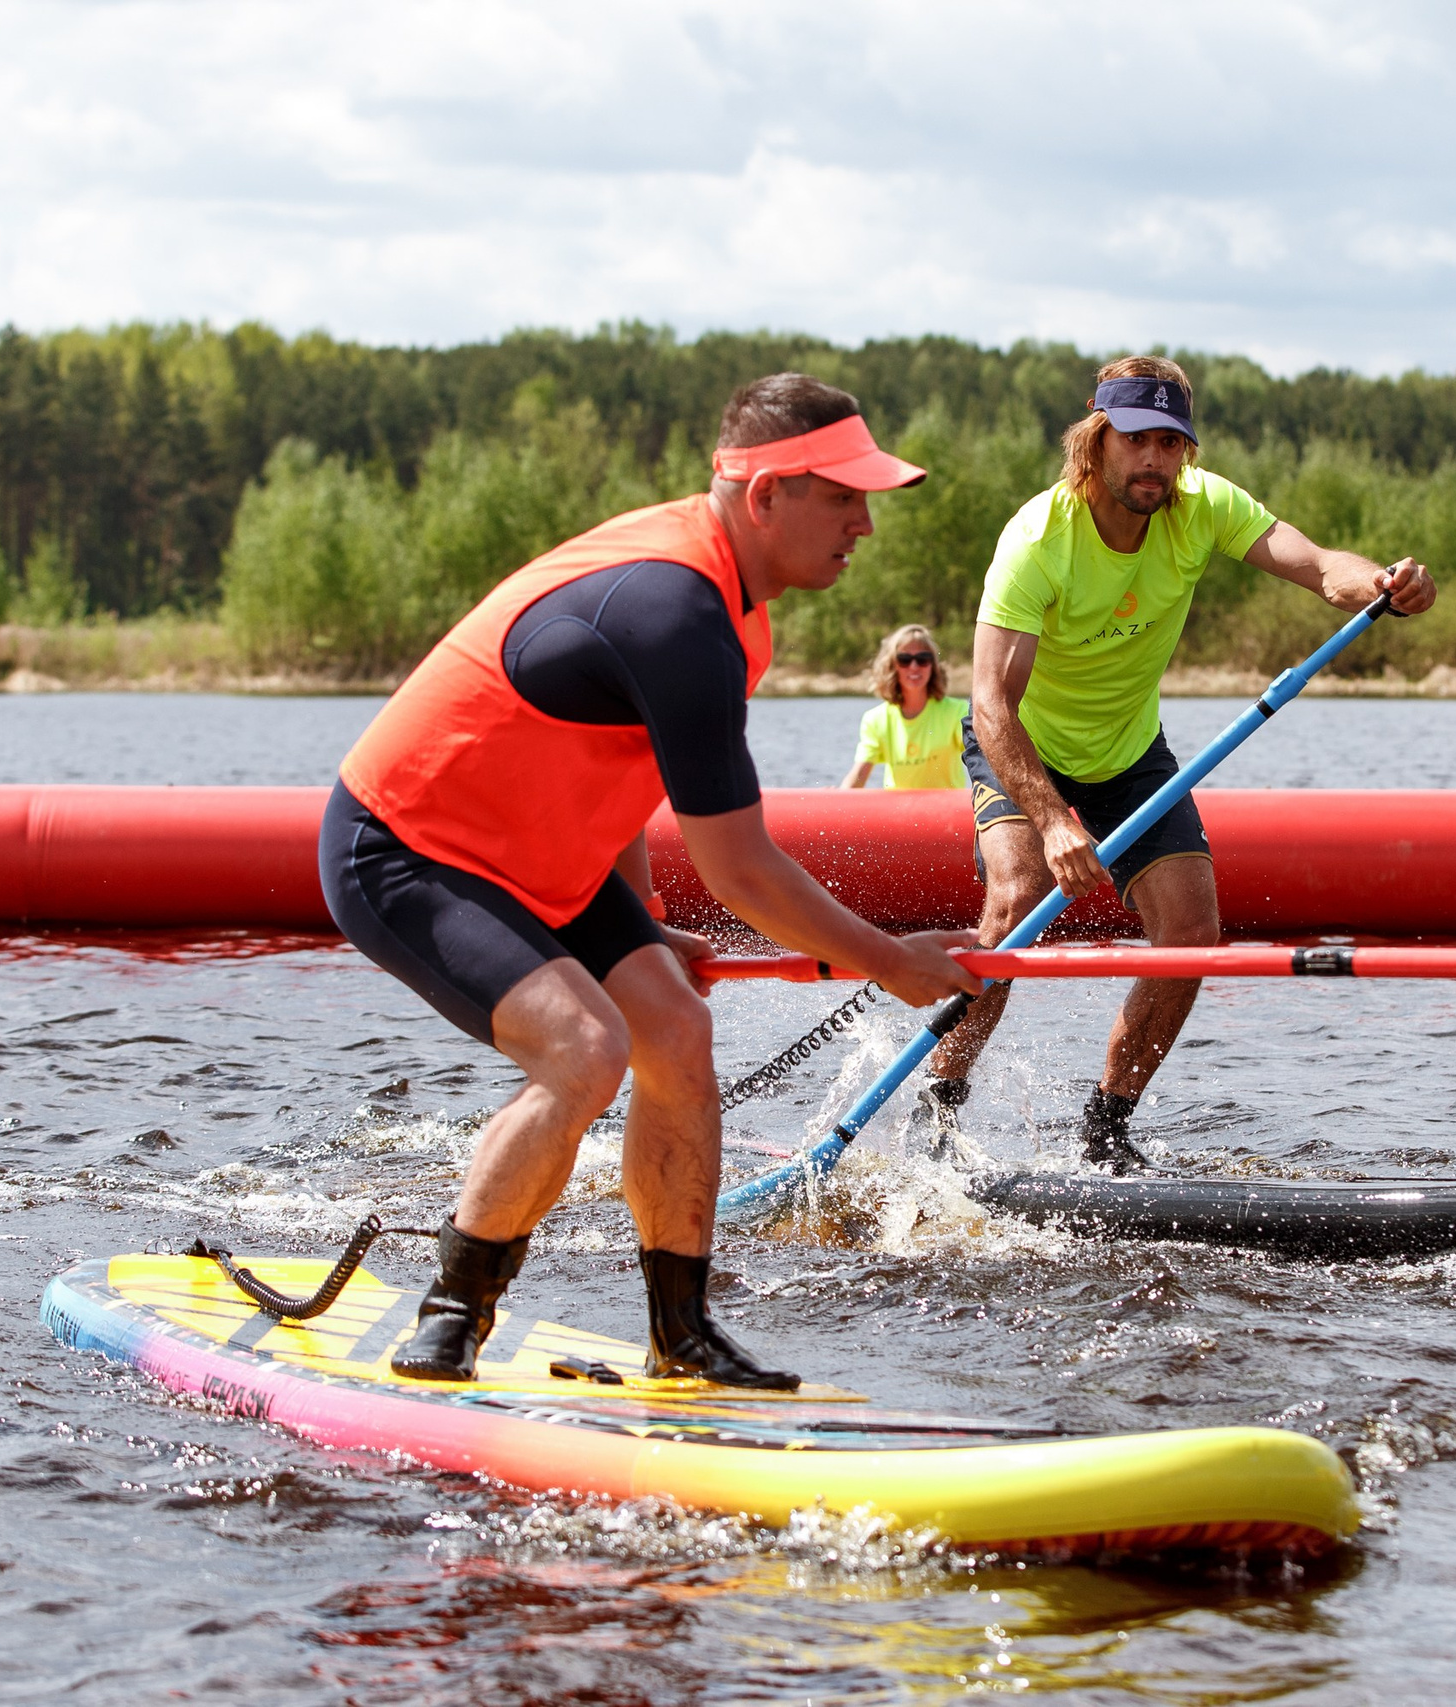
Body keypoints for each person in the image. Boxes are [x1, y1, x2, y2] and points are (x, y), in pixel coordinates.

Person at [321, 374, 981, 1389]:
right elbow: (743, 865)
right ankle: (448, 1324)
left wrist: (646, 920)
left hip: (545, 853)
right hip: (408, 847)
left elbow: (622, 763)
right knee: (585, 1048)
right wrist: (888, 960)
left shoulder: (731, 604)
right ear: (766, 495)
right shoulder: (677, 606)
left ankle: (681, 1336)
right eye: (845, 497)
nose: (866, 524)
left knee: (675, 1030)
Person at [920, 356, 1437, 1171]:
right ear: (1096, 442)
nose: (1154, 459)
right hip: (1023, 748)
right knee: (1017, 899)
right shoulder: (1036, 540)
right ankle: (939, 1109)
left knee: (1193, 932)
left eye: (1170, 441)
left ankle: (1106, 1130)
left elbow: (1314, 563)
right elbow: (990, 706)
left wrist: (1383, 582)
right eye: (1136, 440)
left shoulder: (1203, 508)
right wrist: (1053, 819)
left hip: (1130, 754)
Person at [841, 623, 969, 789]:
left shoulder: (958, 712)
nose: (914, 667)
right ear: (892, 666)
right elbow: (858, 776)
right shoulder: (875, 719)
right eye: (905, 660)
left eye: (923, 659)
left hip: (947, 813)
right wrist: (833, 802)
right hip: (898, 813)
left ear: (933, 665)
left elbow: (983, 761)